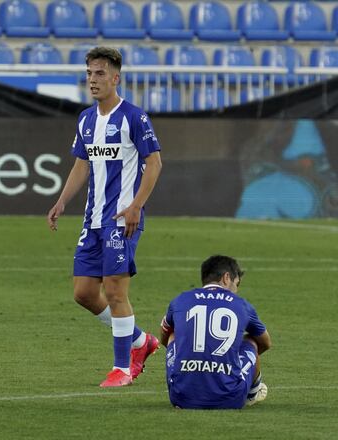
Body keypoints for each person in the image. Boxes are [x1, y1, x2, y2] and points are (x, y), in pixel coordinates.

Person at [47, 47, 162, 387]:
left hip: (121, 219)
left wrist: (136, 206)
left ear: (116, 78)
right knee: (83, 293)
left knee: (114, 291)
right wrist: (62, 200)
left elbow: (154, 163)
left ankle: (122, 369)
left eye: (99, 74)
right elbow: (82, 163)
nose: (93, 80)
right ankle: (141, 342)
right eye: (89, 74)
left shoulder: (134, 117)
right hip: (92, 220)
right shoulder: (85, 119)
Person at [160, 255, 272, 409]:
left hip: (181, 397)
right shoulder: (241, 305)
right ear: (226, 278)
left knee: (174, 335)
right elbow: (266, 343)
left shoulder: (180, 300)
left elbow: (164, 336)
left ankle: (189, 381)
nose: (236, 291)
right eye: (236, 284)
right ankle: (252, 393)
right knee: (252, 340)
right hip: (230, 398)